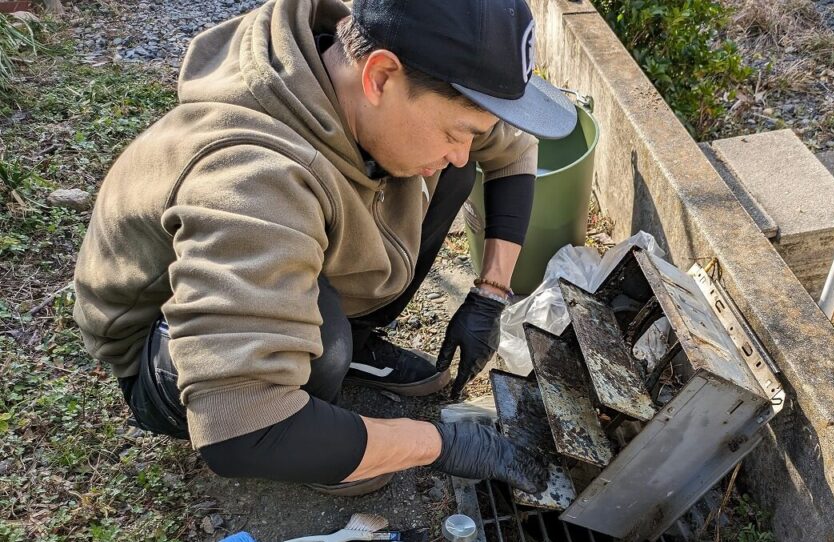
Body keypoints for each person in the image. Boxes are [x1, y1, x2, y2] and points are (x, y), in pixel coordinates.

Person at [72, 0, 576, 496]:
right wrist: (440, 444)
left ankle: (348, 347)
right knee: (324, 337)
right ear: (379, 78)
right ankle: (320, 419)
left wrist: (490, 294)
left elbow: (510, 150)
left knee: (451, 168)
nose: (465, 146)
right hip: (160, 352)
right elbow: (240, 427)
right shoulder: (254, 179)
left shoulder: (356, 65)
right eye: (456, 130)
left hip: (274, 259)